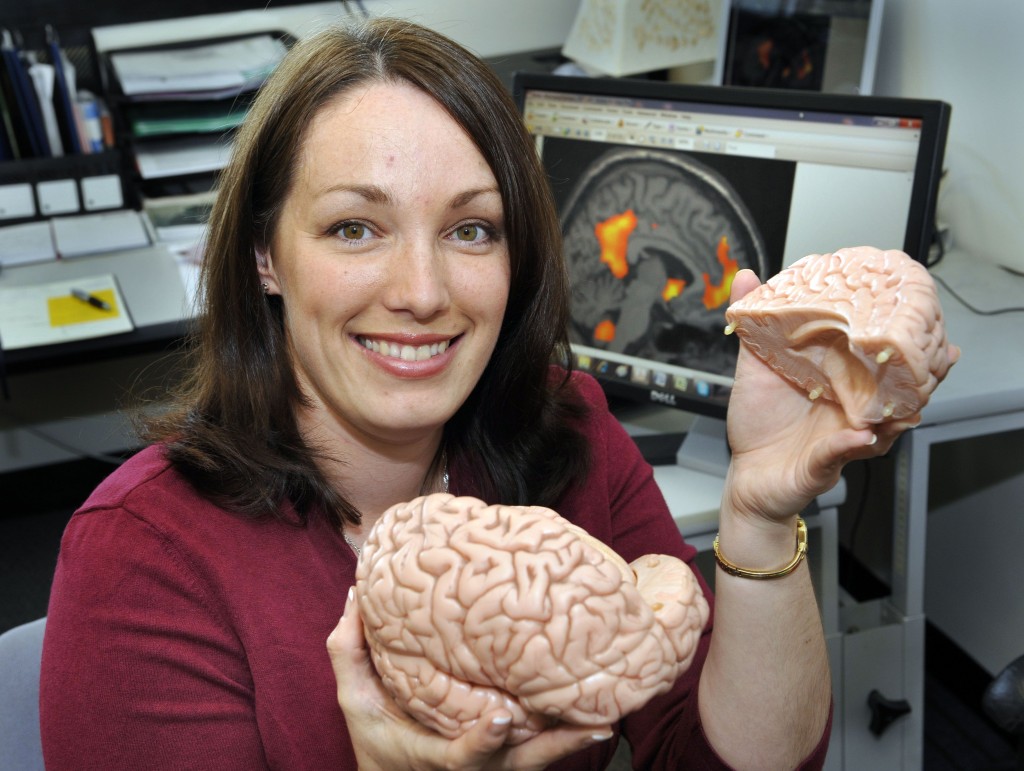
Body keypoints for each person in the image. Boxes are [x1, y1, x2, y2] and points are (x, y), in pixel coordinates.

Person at [39, 16, 928, 771]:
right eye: (355, 227)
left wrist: (759, 511)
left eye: (471, 228)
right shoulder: (144, 560)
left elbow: (714, 756)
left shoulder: (569, 430)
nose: (423, 291)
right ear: (265, 256)